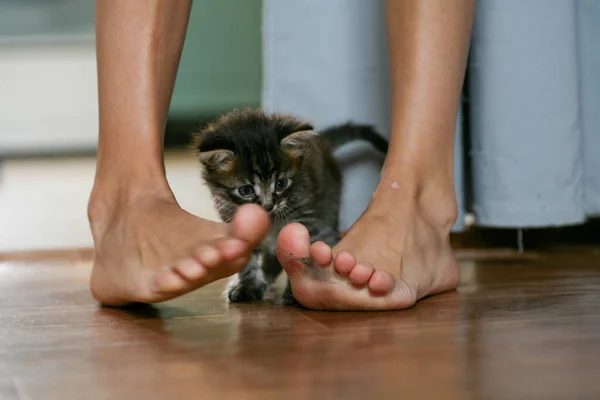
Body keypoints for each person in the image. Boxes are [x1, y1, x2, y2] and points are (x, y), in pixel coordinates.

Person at [89, 0, 474, 310]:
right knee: (261, 237)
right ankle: (128, 200)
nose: (269, 203)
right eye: (249, 192)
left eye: (278, 187)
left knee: (307, 234)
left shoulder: (296, 163)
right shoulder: (230, 167)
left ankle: (418, 203)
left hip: (308, 193)